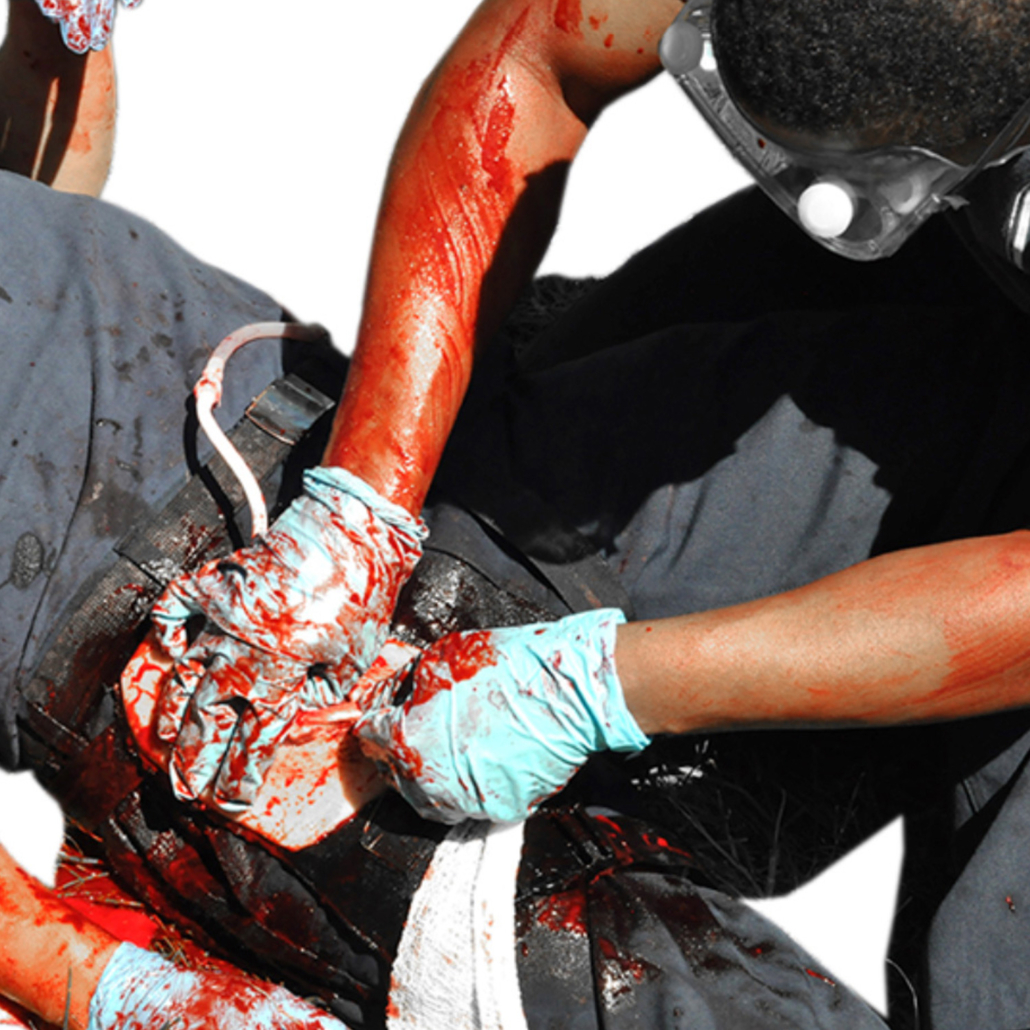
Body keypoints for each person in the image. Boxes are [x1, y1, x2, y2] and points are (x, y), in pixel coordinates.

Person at [136, 0, 1030, 1027]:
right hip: (946, 237)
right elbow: (537, 60)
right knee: (517, 487)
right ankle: (677, 807)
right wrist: (365, 494)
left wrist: (608, 686)